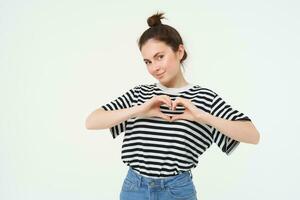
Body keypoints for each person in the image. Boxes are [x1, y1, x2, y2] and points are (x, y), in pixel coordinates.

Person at [85, 11, 260, 200]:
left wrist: (200, 116)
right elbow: (92, 121)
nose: (154, 68)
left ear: (179, 51)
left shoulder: (203, 98)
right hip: (134, 188)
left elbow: (252, 135)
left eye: (160, 56)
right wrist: (140, 109)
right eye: (148, 62)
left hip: (177, 191)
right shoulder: (140, 94)